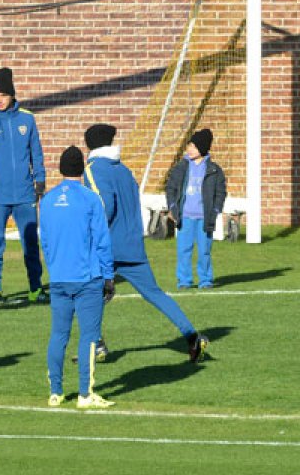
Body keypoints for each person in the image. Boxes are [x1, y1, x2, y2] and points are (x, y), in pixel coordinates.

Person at [83, 124, 208, 363]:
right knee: (155, 294)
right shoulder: (124, 169)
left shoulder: (93, 169)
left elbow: (104, 207)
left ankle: (96, 345)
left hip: (107, 247)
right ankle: (192, 336)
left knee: (89, 294)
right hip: (133, 245)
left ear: (90, 144)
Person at [40, 146, 115, 409]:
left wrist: (55, 268)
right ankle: (85, 393)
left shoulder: (47, 201)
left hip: (59, 277)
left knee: (58, 335)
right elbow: (102, 240)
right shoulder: (90, 199)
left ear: (60, 169)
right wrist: (108, 275)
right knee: (89, 336)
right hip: (87, 279)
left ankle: (55, 392)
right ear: (81, 169)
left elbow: (45, 241)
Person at [0, 67, 47, 303]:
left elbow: (36, 151)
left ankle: (35, 287)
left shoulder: (27, 118)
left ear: (12, 95)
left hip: (25, 194)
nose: (0, 100)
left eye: (4, 95)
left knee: (31, 244)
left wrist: (40, 180)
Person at [165, 128, 227, 289]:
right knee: (184, 250)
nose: (189, 150)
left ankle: (205, 280)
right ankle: (184, 281)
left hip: (205, 217)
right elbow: (170, 188)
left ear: (202, 148)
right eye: (189, 146)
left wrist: (215, 210)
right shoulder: (181, 168)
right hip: (184, 217)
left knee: (204, 250)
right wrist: (172, 206)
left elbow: (221, 192)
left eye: (193, 146)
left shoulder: (214, 170)